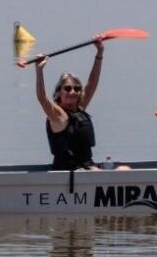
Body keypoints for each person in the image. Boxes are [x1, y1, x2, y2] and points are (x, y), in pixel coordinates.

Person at [33, 36, 105, 171]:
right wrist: (39, 71)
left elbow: (91, 84)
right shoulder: (58, 115)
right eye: (67, 88)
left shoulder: (79, 109)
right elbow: (42, 99)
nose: (73, 92)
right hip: (70, 174)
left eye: (77, 89)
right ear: (59, 92)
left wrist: (99, 53)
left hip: (87, 168)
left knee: (123, 169)